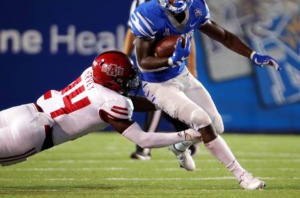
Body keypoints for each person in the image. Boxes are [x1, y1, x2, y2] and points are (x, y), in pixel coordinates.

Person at [129, 0, 281, 190]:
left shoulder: (197, 6)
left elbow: (225, 36)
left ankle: (179, 147)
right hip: (157, 84)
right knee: (201, 121)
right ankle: (242, 176)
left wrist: (252, 54)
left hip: (182, 75)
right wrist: (171, 59)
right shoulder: (147, 14)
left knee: (216, 126)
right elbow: (143, 62)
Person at [0, 50, 201, 166]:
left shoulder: (92, 72)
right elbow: (143, 139)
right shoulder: (110, 102)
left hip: (26, 110)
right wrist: (184, 135)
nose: (130, 82)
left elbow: (126, 99)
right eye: (126, 78)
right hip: (34, 132)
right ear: (112, 80)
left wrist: (166, 103)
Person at [123, 0, 198, 160]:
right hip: (149, 57)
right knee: (160, 105)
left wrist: (191, 66)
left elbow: (188, 37)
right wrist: (125, 57)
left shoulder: (181, 1)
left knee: (157, 101)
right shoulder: (145, 0)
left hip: (168, 60)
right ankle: (188, 138)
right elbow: (133, 31)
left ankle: (144, 148)